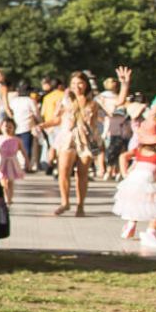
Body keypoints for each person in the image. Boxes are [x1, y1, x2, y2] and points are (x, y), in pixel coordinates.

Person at [45, 70, 105, 216]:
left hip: (85, 140)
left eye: (80, 83)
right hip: (67, 138)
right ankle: (65, 202)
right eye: (73, 83)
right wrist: (42, 125)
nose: (77, 86)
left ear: (86, 84)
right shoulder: (65, 100)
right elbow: (57, 120)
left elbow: (115, 106)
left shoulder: (94, 102)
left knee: (82, 173)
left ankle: (80, 206)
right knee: (63, 171)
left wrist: (124, 84)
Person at [114, 120, 156, 249]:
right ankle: (150, 233)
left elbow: (122, 156)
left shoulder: (139, 149)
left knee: (138, 203)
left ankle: (131, 224)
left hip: (132, 179)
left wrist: (124, 173)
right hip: (147, 180)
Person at [0, 117, 25, 205]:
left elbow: (23, 151)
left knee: (10, 181)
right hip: (1, 162)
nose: (7, 129)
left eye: (10, 127)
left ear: (14, 128)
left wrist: (27, 161)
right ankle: (6, 197)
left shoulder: (17, 140)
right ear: (1, 127)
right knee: (3, 181)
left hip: (12, 163)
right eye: (5, 126)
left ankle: (10, 197)